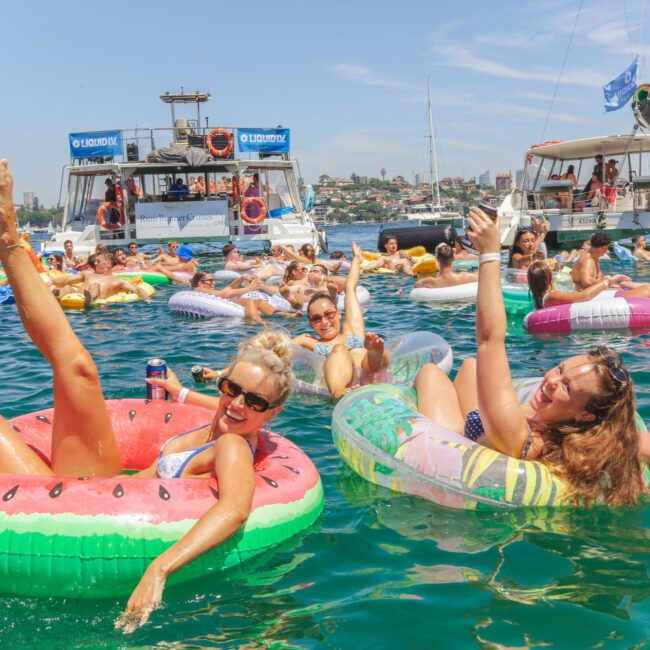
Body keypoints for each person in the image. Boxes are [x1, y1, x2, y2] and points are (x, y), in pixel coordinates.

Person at [413, 206, 646, 507]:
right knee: (469, 365)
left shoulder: (519, 438)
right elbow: (638, 441)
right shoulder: (595, 434)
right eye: (560, 369)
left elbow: (489, 340)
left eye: (567, 386)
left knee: (431, 372)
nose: (551, 381)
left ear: (586, 414)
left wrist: (490, 255)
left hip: (460, 437)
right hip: (488, 419)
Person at [292, 243, 390, 400]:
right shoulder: (308, 340)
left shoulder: (353, 330)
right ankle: (338, 391)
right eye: (317, 318)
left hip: (370, 370)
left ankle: (375, 354)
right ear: (310, 323)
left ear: (338, 314)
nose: (324, 322)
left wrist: (357, 258)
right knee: (339, 350)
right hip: (343, 385)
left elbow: (350, 287)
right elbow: (279, 349)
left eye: (329, 315)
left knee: (375, 350)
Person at [528, 260, 650, 309]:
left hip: (603, 305)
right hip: (609, 307)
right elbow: (584, 296)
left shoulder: (544, 297)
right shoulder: (551, 296)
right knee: (646, 288)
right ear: (548, 278)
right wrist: (609, 281)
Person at [191, 271, 299, 322]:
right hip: (224, 305)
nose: (213, 283)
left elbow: (227, 289)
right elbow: (225, 294)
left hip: (225, 302)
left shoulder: (208, 290)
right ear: (200, 282)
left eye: (214, 280)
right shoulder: (199, 289)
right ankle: (259, 322)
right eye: (210, 280)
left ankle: (286, 314)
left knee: (259, 302)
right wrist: (249, 288)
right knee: (248, 301)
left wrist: (242, 278)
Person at [51, 251, 152, 306]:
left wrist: (148, 300)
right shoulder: (88, 273)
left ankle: (90, 298)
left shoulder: (117, 281)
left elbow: (137, 289)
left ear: (108, 264)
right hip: (76, 298)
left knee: (95, 285)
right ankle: (56, 297)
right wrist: (52, 282)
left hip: (95, 305)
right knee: (67, 287)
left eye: (98, 262)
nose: (95, 264)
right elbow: (66, 280)